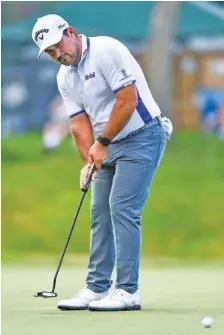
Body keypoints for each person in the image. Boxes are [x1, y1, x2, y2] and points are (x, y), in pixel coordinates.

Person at [32, 14, 173, 311]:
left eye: (58, 46)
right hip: (107, 144)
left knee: (122, 207)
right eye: (50, 53)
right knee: (99, 212)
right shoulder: (64, 77)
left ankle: (127, 290)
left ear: (70, 32)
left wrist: (102, 143)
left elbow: (127, 101)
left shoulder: (106, 50)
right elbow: (78, 123)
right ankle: (97, 287)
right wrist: (87, 162)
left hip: (142, 135)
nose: (58, 55)